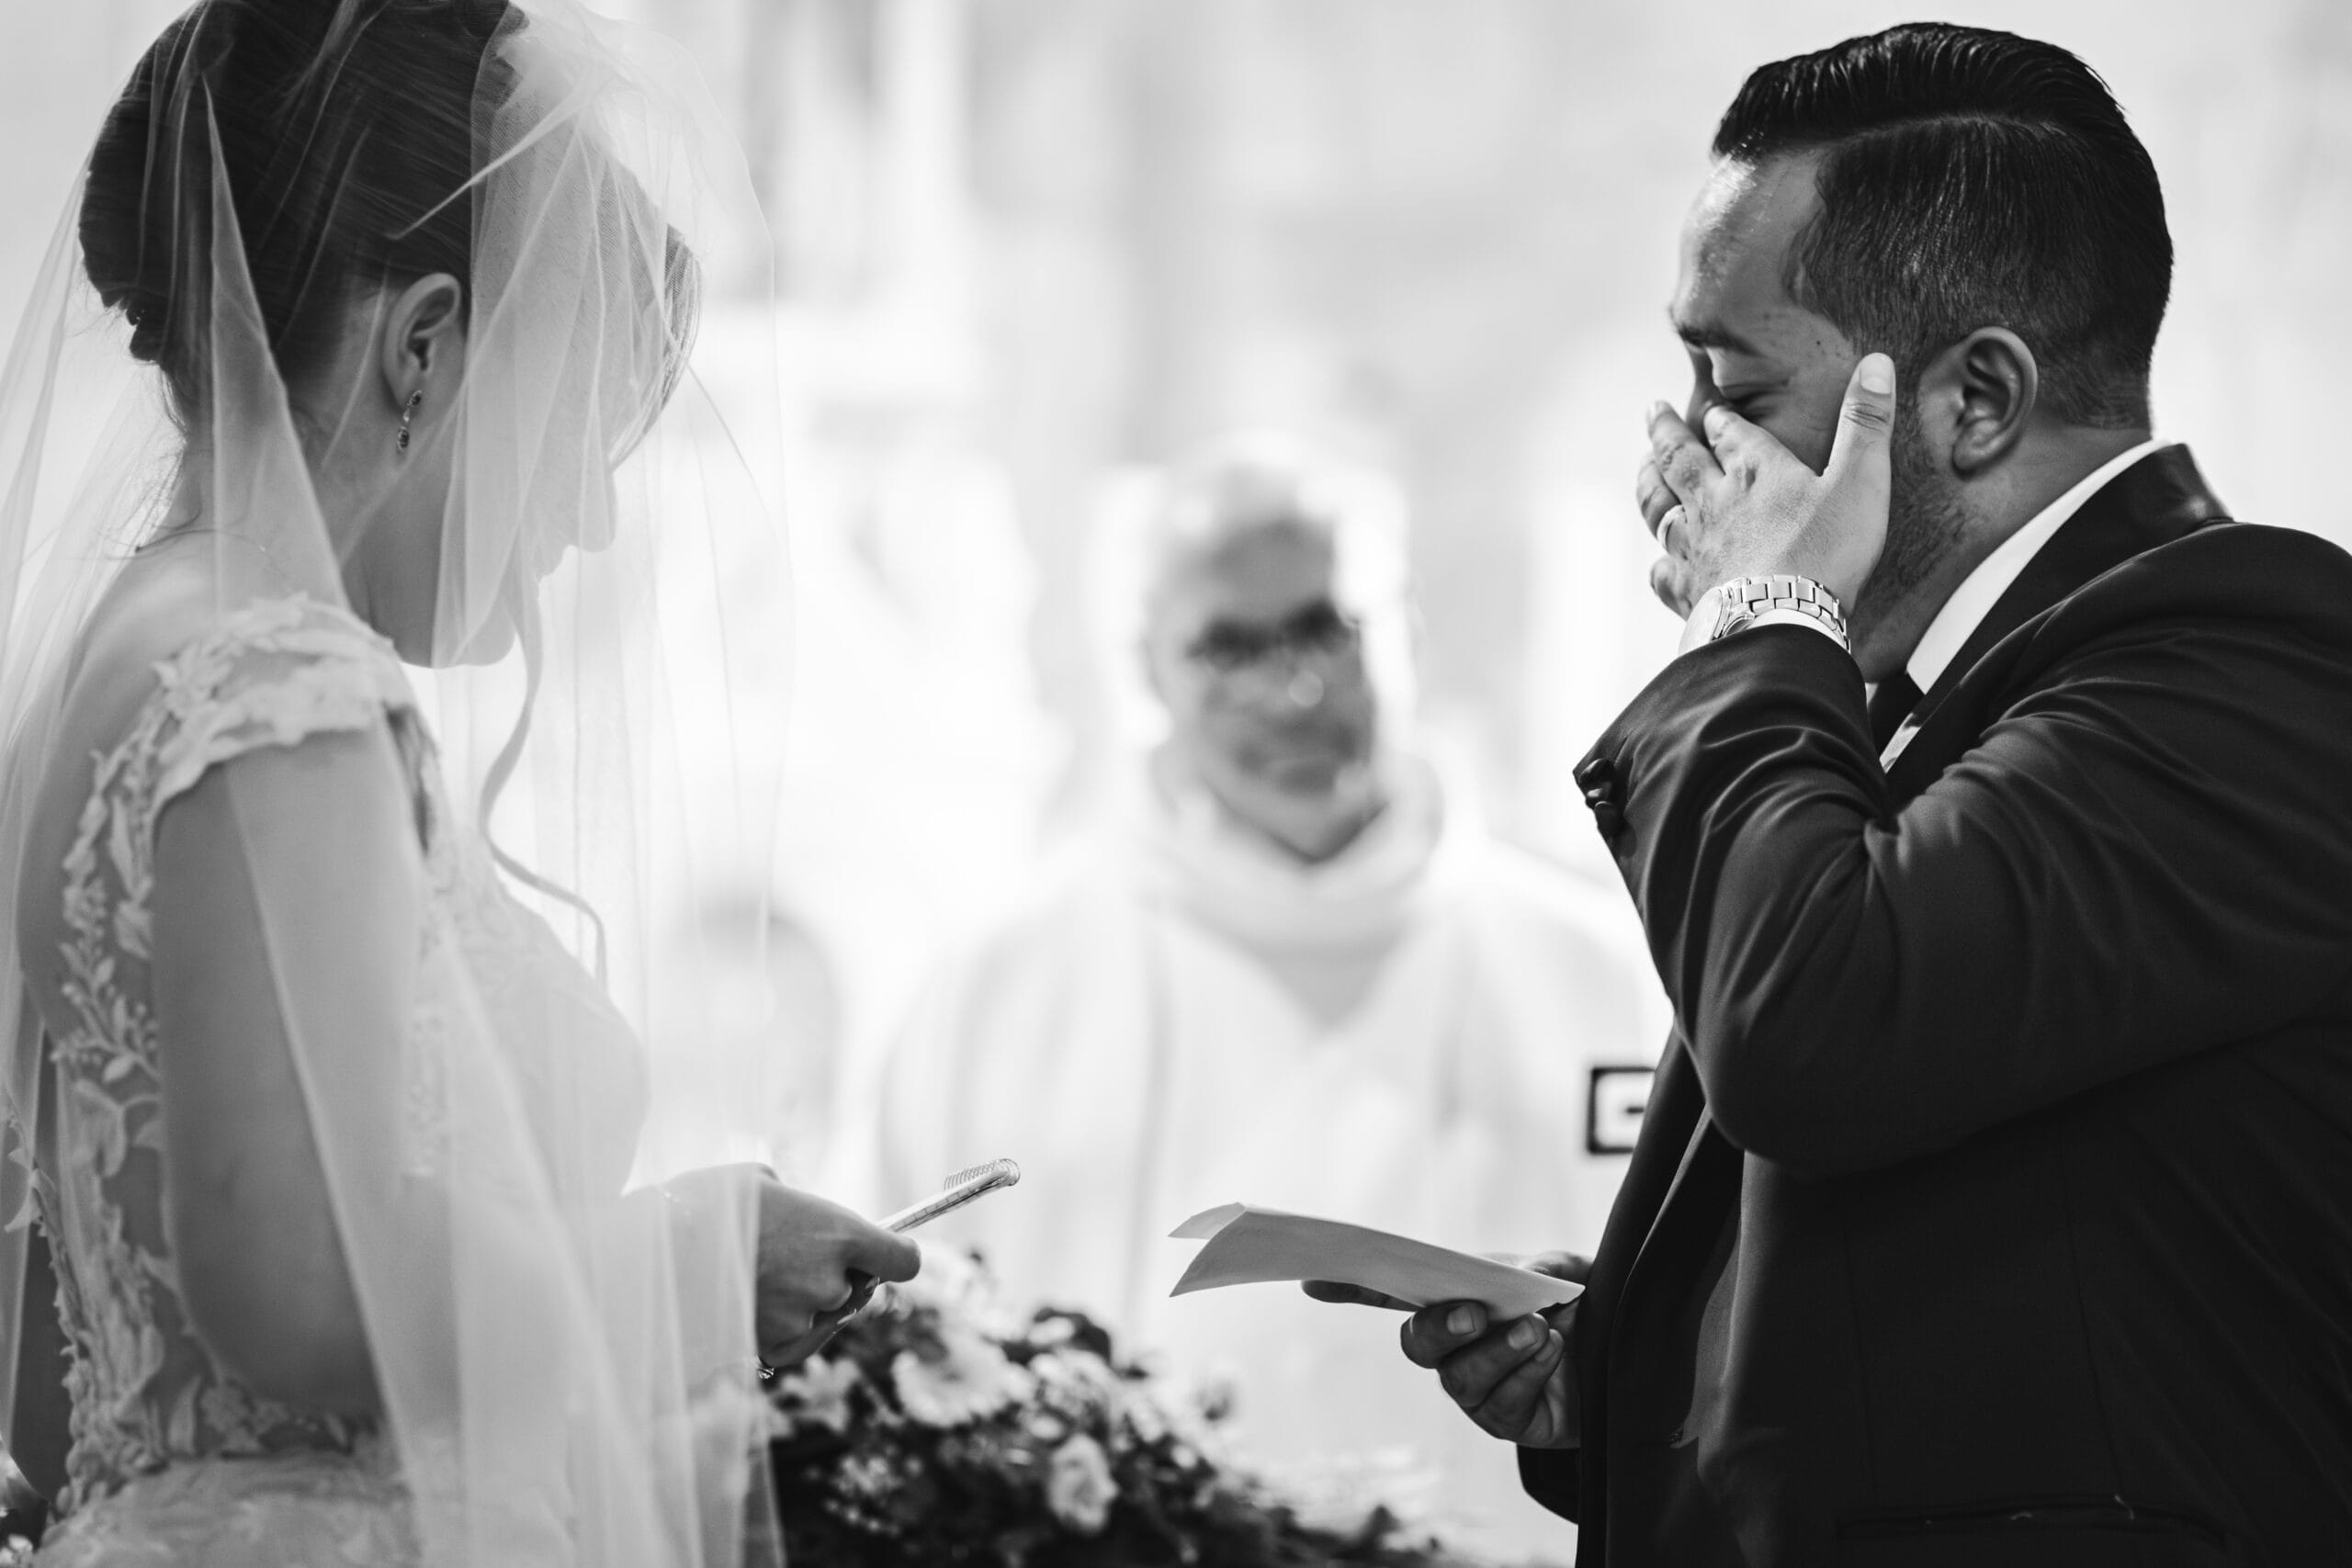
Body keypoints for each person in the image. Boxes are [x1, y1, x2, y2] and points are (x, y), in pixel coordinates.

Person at [1340, 22, 2352, 1566]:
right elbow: (1954, 1213)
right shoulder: (1933, 689)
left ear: (1972, 402)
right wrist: (1629, 1360)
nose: (1681, 446)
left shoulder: (2246, 669)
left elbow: (1818, 1027)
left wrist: (1758, 622)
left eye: (1733, 379)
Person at [0, 2, 916, 1563]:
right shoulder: (278, 685)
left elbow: (53, 1379)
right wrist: (681, 1268)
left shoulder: (116, 671)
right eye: (576, 423)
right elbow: (291, 1287)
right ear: (424, 341)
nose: (586, 522)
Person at [859, 433, 1668, 1555]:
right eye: (1229, 648)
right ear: (1147, 669)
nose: (1292, 693)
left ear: (1407, 629)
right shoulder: (997, 987)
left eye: (1323, 629)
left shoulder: (1608, 964)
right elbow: (905, 1351)